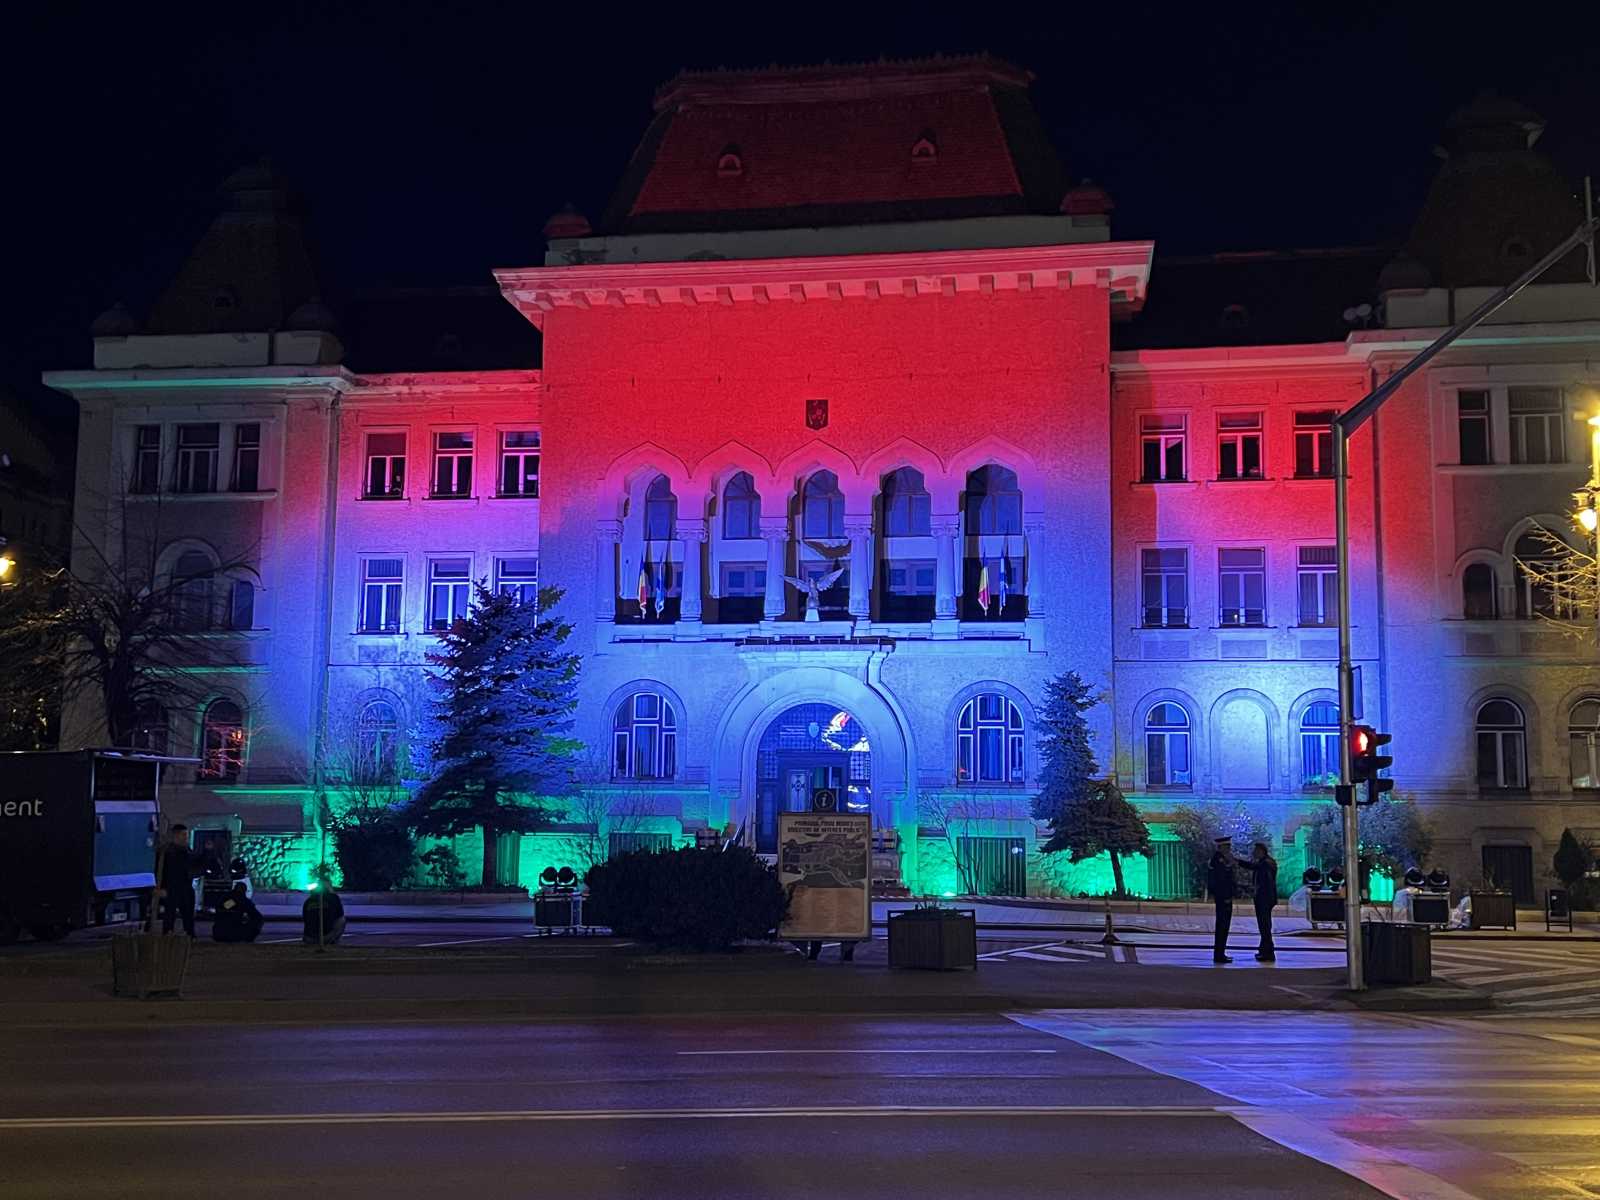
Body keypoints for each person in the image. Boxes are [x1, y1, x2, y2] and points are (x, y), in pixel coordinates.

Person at [1237, 841, 1279, 962]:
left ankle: (1268, 953)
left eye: (1255, 851)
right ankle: (1263, 950)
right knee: (1265, 926)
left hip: (1264, 899)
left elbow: (1258, 873)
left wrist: (1237, 861)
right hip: (1266, 898)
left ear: (1261, 851)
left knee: (1264, 926)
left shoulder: (1266, 864)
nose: (1253, 853)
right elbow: (1253, 866)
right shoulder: (1266, 862)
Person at [156, 824, 198, 938]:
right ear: (176, 836)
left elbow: (195, 865)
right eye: (184, 835)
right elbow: (159, 870)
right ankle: (167, 936)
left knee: (188, 915)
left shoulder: (188, 851)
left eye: (186, 835)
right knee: (169, 915)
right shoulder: (167, 852)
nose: (186, 837)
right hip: (171, 888)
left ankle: (189, 937)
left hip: (186, 887)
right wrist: (161, 887)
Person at [1206, 835, 1237, 964]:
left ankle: (1220, 953)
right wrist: (1226, 897)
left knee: (1224, 926)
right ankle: (1219, 954)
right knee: (1222, 926)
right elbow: (1222, 880)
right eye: (1227, 846)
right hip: (1223, 897)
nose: (1229, 848)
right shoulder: (1218, 860)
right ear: (1221, 847)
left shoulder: (1222, 859)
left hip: (1224, 897)